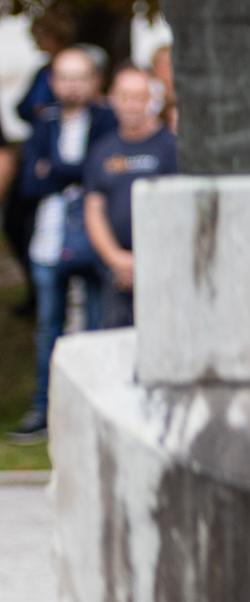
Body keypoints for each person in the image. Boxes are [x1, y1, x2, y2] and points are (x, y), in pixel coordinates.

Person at [10, 48, 110, 443]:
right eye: (64, 77)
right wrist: (72, 174)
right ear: (53, 82)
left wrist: (55, 171)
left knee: (97, 327)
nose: (72, 86)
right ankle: (45, 408)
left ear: (94, 81)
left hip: (95, 240)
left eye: (79, 77)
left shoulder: (105, 121)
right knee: (49, 326)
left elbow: (98, 173)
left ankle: (96, 408)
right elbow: (30, 183)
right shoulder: (43, 124)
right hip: (49, 241)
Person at [77, 65, 177, 331]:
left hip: (166, 269)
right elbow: (93, 209)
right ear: (112, 98)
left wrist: (150, 261)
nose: (131, 105)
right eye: (125, 96)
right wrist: (115, 259)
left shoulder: (173, 148)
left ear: (153, 100)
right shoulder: (101, 150)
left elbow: (181, 211)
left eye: (139, 97)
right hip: (116, 276)